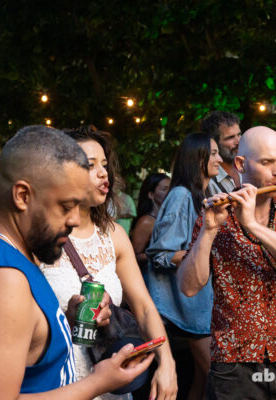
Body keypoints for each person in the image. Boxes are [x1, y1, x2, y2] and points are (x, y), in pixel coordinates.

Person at [0, 125, 153, 398]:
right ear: (23, 196)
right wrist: (98, 383)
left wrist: (65, 321)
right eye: (65, 206)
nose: (73, 220)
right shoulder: (3, 277)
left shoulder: (12, 252)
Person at [178, 126, 276, 399]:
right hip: (234, 362)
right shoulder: (217, 212)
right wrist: (208, 232)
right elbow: (188, 286)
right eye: (267, 162)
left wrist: (253, 226)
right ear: (240, 164)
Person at [39, 125, 177, 400]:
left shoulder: (113, 234)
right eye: (90, 165)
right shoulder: (40, 237)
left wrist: (167, 363)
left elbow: (144, 307)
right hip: (61, 383)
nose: (103, 173)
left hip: (114, 384)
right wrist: (68, 317)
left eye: (104, 164)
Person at [146, 133, 221, 400]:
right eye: (213, 153)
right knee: (214, 377)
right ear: (198, 158)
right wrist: (200, 256)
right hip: (186, 307)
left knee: (202, 381)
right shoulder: (180, 196)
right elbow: (160, 254)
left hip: (200, 303)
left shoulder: (205, 194)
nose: (219, 159)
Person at [130, 173, 170, 271]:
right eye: (164, 189)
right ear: (151, 195)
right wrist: (159, 255)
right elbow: (133, 256)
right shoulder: (146, 222)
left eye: (171, 189)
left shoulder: (164, 218)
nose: (169, 193)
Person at [200, 111, 242, 194]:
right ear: (214, 143)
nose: (238, 141)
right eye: (230, 137)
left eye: (239, 134)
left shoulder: (249, 167)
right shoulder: (206, 180)